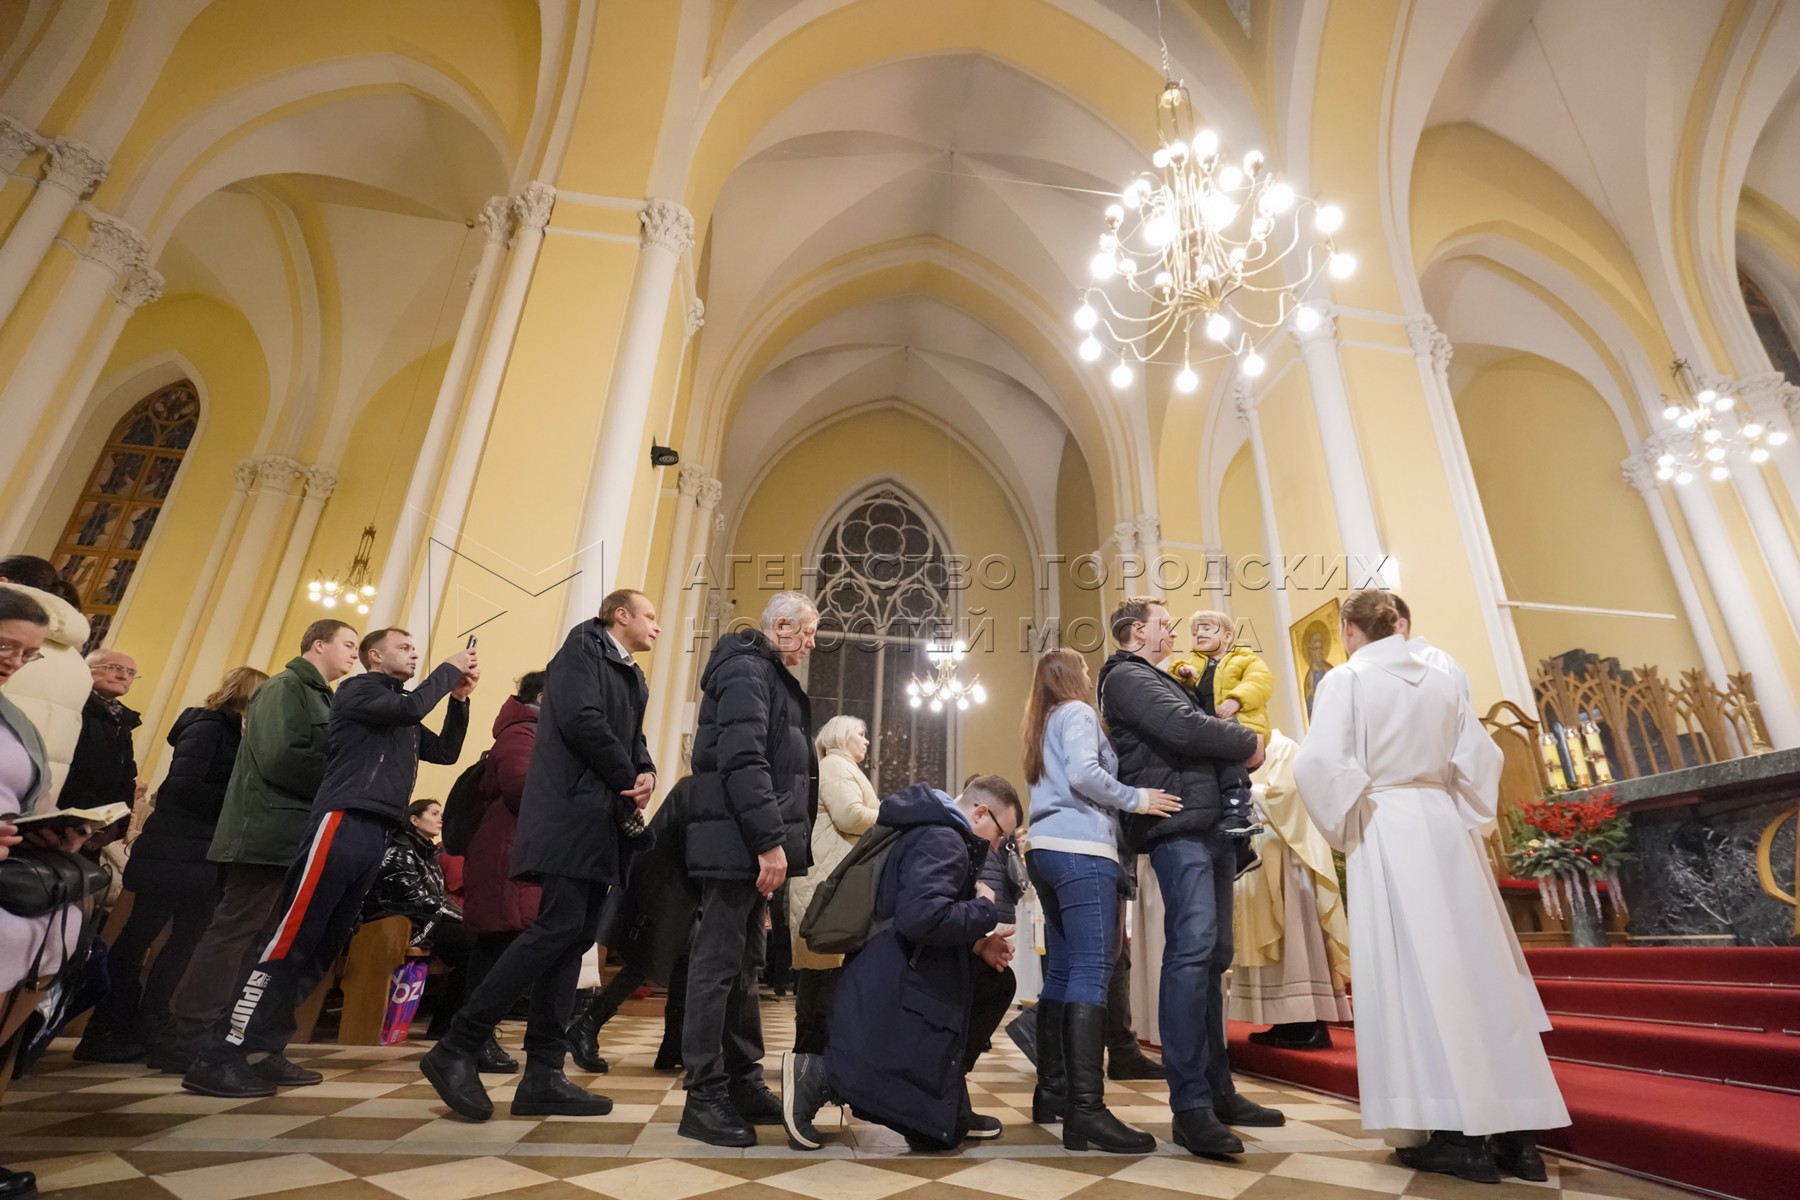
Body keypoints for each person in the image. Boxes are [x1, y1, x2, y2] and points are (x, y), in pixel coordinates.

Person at [1292, 588, 1568, 1185]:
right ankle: (1519, 1140)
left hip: (1387, 825)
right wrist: (1458, 811)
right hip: (1446, 827)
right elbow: (1481, 759)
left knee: (1417, 979)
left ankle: (1454, 1135)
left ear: (1347, 630)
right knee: (1481, 974)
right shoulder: (1446, 670)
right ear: (1399, 624)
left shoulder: (1345, 681)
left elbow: (1320, 766)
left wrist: (1345, 825)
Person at [182, 627, 475, 1098]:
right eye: (404, 647)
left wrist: (459, 699)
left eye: (416, 649)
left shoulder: (397, 711)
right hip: (342, 821)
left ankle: (264, 1048)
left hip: (377, 829)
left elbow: (444, 751)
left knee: (323, 945)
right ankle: (219, 1053)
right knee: (291, 939)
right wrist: (448, 668)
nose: (414, 653)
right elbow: (411, 707)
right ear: (373, 656)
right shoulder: (360, 690)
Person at [423, 591, 657, 1122]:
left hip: (600, 817)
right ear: (620, 615)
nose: (656, 628)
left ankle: (544, 1075)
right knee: (555, 929)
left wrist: (646, 774)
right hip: (571, 813)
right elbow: (580, 720)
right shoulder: (583, 648)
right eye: (649, 616)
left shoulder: (633, 676)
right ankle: (456, 1046)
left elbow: (632, 736)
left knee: (573, 937)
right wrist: (626, 777)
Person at [1096, 596, 1280, 1158]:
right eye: (1164, 624)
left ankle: (1219, 1090)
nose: (1172, 631)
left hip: (1207, 826)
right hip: (1178, 827)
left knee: (1214, 953)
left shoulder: (1164, 676)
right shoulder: (1125, 676)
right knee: (1192, 951)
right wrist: (1249, 743)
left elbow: (1198, 720)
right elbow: (1182, 729)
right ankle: (1190, 1106)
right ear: (1135, 632)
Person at [151, 620, 360, 1074]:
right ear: (318, 644)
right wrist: (343, 778)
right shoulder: (286, 687)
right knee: (232, 935)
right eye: (348, 644)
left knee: (260, 942)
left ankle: (231, 1036)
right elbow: (280, 758)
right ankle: (185, 1036)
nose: (354, 654)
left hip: (290, 832)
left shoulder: (320, 694)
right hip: (266, 832)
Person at [784, 778, 1022, 1153]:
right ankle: (816, 1076)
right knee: (938, 1130)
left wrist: (976, 943)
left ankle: (947, 1091)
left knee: (994, 983)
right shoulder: (944, 840)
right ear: (980, 812)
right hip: (895, 979)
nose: (997, 847)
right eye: (1001, 834)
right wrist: (983, 909)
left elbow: (914, 912)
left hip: (893, 967)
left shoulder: (934, 831)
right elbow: (921, 917)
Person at [1019, 648, 1177, 1152]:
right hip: (1082, 850)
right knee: (1091, 970)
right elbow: (1086, 775)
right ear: (1071, 676)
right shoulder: (1079, 712)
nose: (1090, 676)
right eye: (1086, 669)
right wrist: (1138, 798)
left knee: (1064, 971)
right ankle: (1087, 1111)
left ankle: (1053, 1091)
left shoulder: (1042, 722)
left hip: (1045, 850)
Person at [679, 591, 820, 1147]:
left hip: (745, 839)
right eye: (806, 632)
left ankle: (741, 1079)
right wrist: (768, 841)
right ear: (780, 625)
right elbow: (742, 758)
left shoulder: (760, 672)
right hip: (736, 839)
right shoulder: (745, 670)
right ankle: (703, 1094)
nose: (810, 644)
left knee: (744, 965)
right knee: (716, 966)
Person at [75, 666, 269, 1062]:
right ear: (247, 694)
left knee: (186, 946)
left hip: (202, 853)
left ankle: (154, 1027)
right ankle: (106, 1028)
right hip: (174, 850)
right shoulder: (209, 726)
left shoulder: (238, 734)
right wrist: (242, 801)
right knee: (137, 940)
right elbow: (184, 786)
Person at [1227, 728, 1351, 1049]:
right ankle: (1284, 1020)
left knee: (1297, 940)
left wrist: (1238, 792)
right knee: (1273, 950)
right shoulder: (1236, 759)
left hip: (1289, 863)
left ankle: (1310, 1023)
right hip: (1256, 864)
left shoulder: (1286, 751)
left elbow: (1288, 798)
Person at [458, 670, 547, 1074]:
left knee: (504, 944)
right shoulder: (521, 732)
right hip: (504, 855)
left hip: (515, 851)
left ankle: (475, 1035)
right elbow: (520, 787)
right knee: (497, 944)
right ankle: (471, 1039)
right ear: (545, 698)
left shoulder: (532, 731)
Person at [786, 715, 880, 1059]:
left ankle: (812, 1051)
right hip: (829, 880)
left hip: (826, 877)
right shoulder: (837, 767)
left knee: (821, 968)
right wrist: (888, 811)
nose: (866, 741)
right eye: (861, 733)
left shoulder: (836, 766)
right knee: (825, 970)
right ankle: (815, 1054)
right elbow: (851, 816)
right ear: (841, 736)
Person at [362, 798, 469, 1037]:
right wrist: (463, 920)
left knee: (480, 944)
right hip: (402, 925)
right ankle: (447, 1025)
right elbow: (414, 900)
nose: (440, 818)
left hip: (422, 922)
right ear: (414, 819)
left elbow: (440, 898)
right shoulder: (401, 850)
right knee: (475, 946)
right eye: (433, 813)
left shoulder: (428, 853)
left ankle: (447, 1024)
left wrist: (464, 917)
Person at [1167, 610, 1273, 848]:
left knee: (1230, 768)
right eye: (1194, 632)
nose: (1199, 634)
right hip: (1211, 732)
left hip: (1242, 724)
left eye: (1206, 628)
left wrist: (1237, 699)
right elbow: (1175, 683)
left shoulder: (1245, 658)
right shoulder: (1194, 663)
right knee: (1214, 782)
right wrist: (1183, 674)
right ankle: (1240, 846)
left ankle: (1243, 812)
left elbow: (1261, 681)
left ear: (1227, 636)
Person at [0, 555, 92, 807]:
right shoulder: (77, 662)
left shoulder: (19, 723)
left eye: (29, 654)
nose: (15, 662)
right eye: (6, 646)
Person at [60, 649, 141, 812]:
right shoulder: (69, 705)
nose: (123, 676)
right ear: (86, 669)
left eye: (131, 672)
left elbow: (126, 777)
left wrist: (119, 820)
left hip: (100, 818)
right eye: (114, 667)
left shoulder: (124, 720)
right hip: (63, 810)